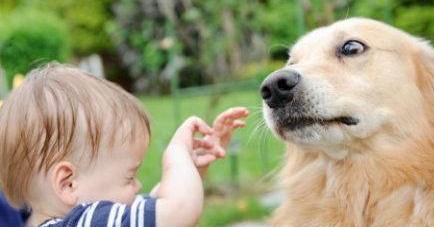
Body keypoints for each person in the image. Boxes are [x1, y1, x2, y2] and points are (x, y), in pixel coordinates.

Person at [0, 63, 249, 227]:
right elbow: (180, 210)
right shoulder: (85, 221)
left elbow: (152, 204)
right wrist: (178, 155)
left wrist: (190, 168)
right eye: (129, 177)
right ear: (68, 182)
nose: (138, 186)